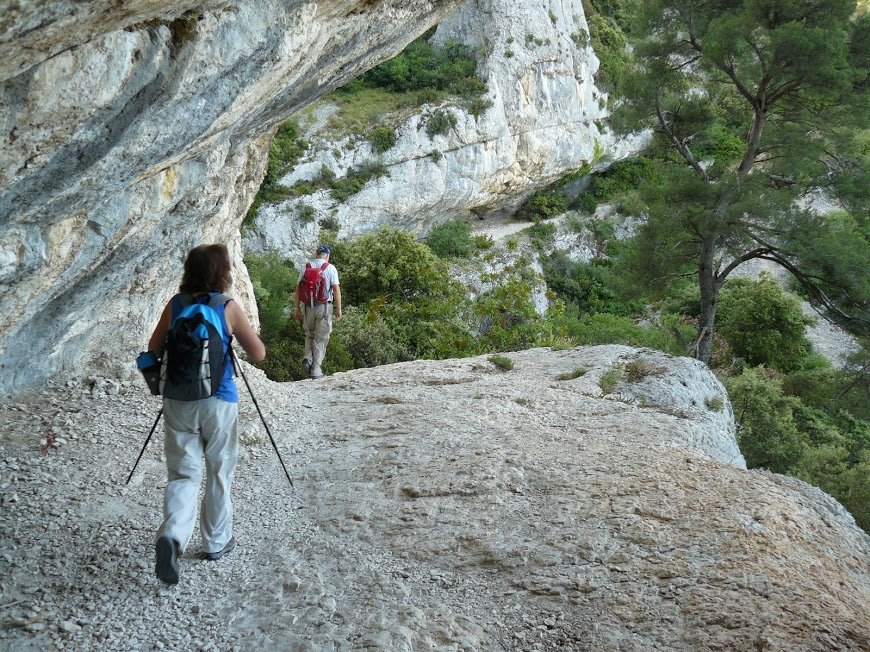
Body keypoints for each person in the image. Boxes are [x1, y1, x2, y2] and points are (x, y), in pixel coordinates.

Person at [147, 244, 265, 585]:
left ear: (189, 270)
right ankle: (215, 542)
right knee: (219, 469)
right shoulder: (227, 306)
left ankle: (172, 536)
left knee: (183, 474)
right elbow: (258, 353)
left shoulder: (175, 305)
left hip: (177, 400)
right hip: (219, 399)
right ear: (223, 272)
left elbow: (152, 351)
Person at [293, 244, 341, 379]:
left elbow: (298, 290)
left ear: (316, 255)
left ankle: (307, 359)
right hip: (324, 307)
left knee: (310, 335)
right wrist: (339, 308)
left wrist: (296, 308)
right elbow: (336, 290)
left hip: (308, 307)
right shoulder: (330, 268)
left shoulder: (306, 267)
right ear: (327, 256)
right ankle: (316, 370)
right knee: (321, 338)